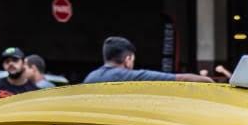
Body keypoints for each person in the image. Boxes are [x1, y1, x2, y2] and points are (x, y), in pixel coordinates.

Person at [83, 36, 212, 83]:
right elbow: (179, 79)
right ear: (128, 60)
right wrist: (208, 81)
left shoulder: (90, 78)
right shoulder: (128, 76)